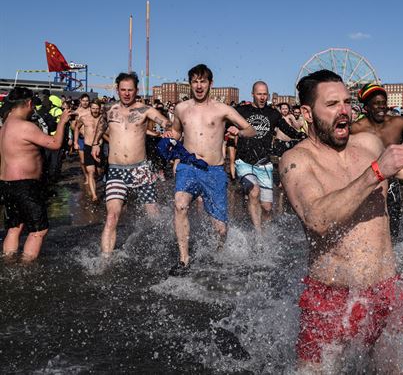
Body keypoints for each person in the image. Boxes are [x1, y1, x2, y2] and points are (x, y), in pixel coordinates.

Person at [280, 70, 403, 371]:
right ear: (307, 112)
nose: (344, 110)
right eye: (332, 104)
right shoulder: (297, 160)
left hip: (386, 291)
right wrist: (375, 173)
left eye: (346, 102)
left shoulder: (368, 144)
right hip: (331, 299)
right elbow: (316, 218)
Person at [168, 64, 255, 274]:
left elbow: (250, 129)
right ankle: (184, 260)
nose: (199, 86)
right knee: (180, 205)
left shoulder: (222, 109)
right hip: (188, 166)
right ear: (190, 83)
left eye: (203, 81)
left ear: (210, 84)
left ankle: (217, 254)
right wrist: (171, 143)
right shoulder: (181, 108)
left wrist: (238, 132)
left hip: (214, 171)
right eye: (195, 81)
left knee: (220, 229)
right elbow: (177, 133)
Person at [90, 72, 172, 257]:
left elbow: (164, 122)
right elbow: (101, 125)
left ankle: (164, 249)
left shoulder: (145, 110)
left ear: (137, 90)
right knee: (112, 216)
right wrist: (96, 143)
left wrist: (168, 129)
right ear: (117, 89)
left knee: (154, 215)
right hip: (116, 170)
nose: (126, 94)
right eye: (123, 90)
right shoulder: (110, 109)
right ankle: (105, 260)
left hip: (140, 170)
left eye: (130, 90)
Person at [0, 87, 75, 262]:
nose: (33, 109)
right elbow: (55, 143)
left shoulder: (4, 127)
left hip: (7, 184)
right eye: (32, 105)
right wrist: (63, 121)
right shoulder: (25, 127)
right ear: (27, 103)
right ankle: (25, 269)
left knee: (14, 227)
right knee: (38, 230)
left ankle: (8, 262)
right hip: (25, 184)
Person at [350, 83, 403, 238]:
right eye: (376, 104)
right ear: (366, 107)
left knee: (393, 224)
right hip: (368, 180)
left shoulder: (397, 122)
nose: (382, 107)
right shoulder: (356, 128)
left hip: (392, 182)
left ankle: (392, 251)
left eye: (383, 103)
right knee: (367, 224)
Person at [235, 81, 305, 233]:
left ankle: (265, 236)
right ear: (252, 94)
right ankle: (258, 235)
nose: (262, 97)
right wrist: (231, 128)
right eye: (259, 94)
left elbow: (287, 130)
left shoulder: (273, 113)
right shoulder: (242, 111)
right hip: (244, 161)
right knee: (254, 192)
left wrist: (302, 136)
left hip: (264, 163)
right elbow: (225, 122)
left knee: (267, 208)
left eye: (264, 94)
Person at [74, 100, 104, 201]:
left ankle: (100, 178)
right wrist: (75, 142)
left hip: (99, 148)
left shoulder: (103, 118)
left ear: (100, 109)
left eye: (97, 109)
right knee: (91, 171)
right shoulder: (84, 118)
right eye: (93, 108)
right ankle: (94, 195)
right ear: (90, 108)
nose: (95, 111)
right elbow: (76, 128)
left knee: (99, 171)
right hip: (88, 147)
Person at [73, 94, 91, 184]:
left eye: (87, 100)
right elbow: (74, 127)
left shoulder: (91, 110)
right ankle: (87, 176)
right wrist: (75, 142)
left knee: (92, 160)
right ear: (80, 100)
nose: (85, 102)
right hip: (81, 138)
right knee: (83, 161)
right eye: (83, 100)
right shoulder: (77, 112)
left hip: (91, 138)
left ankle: (92, 175)